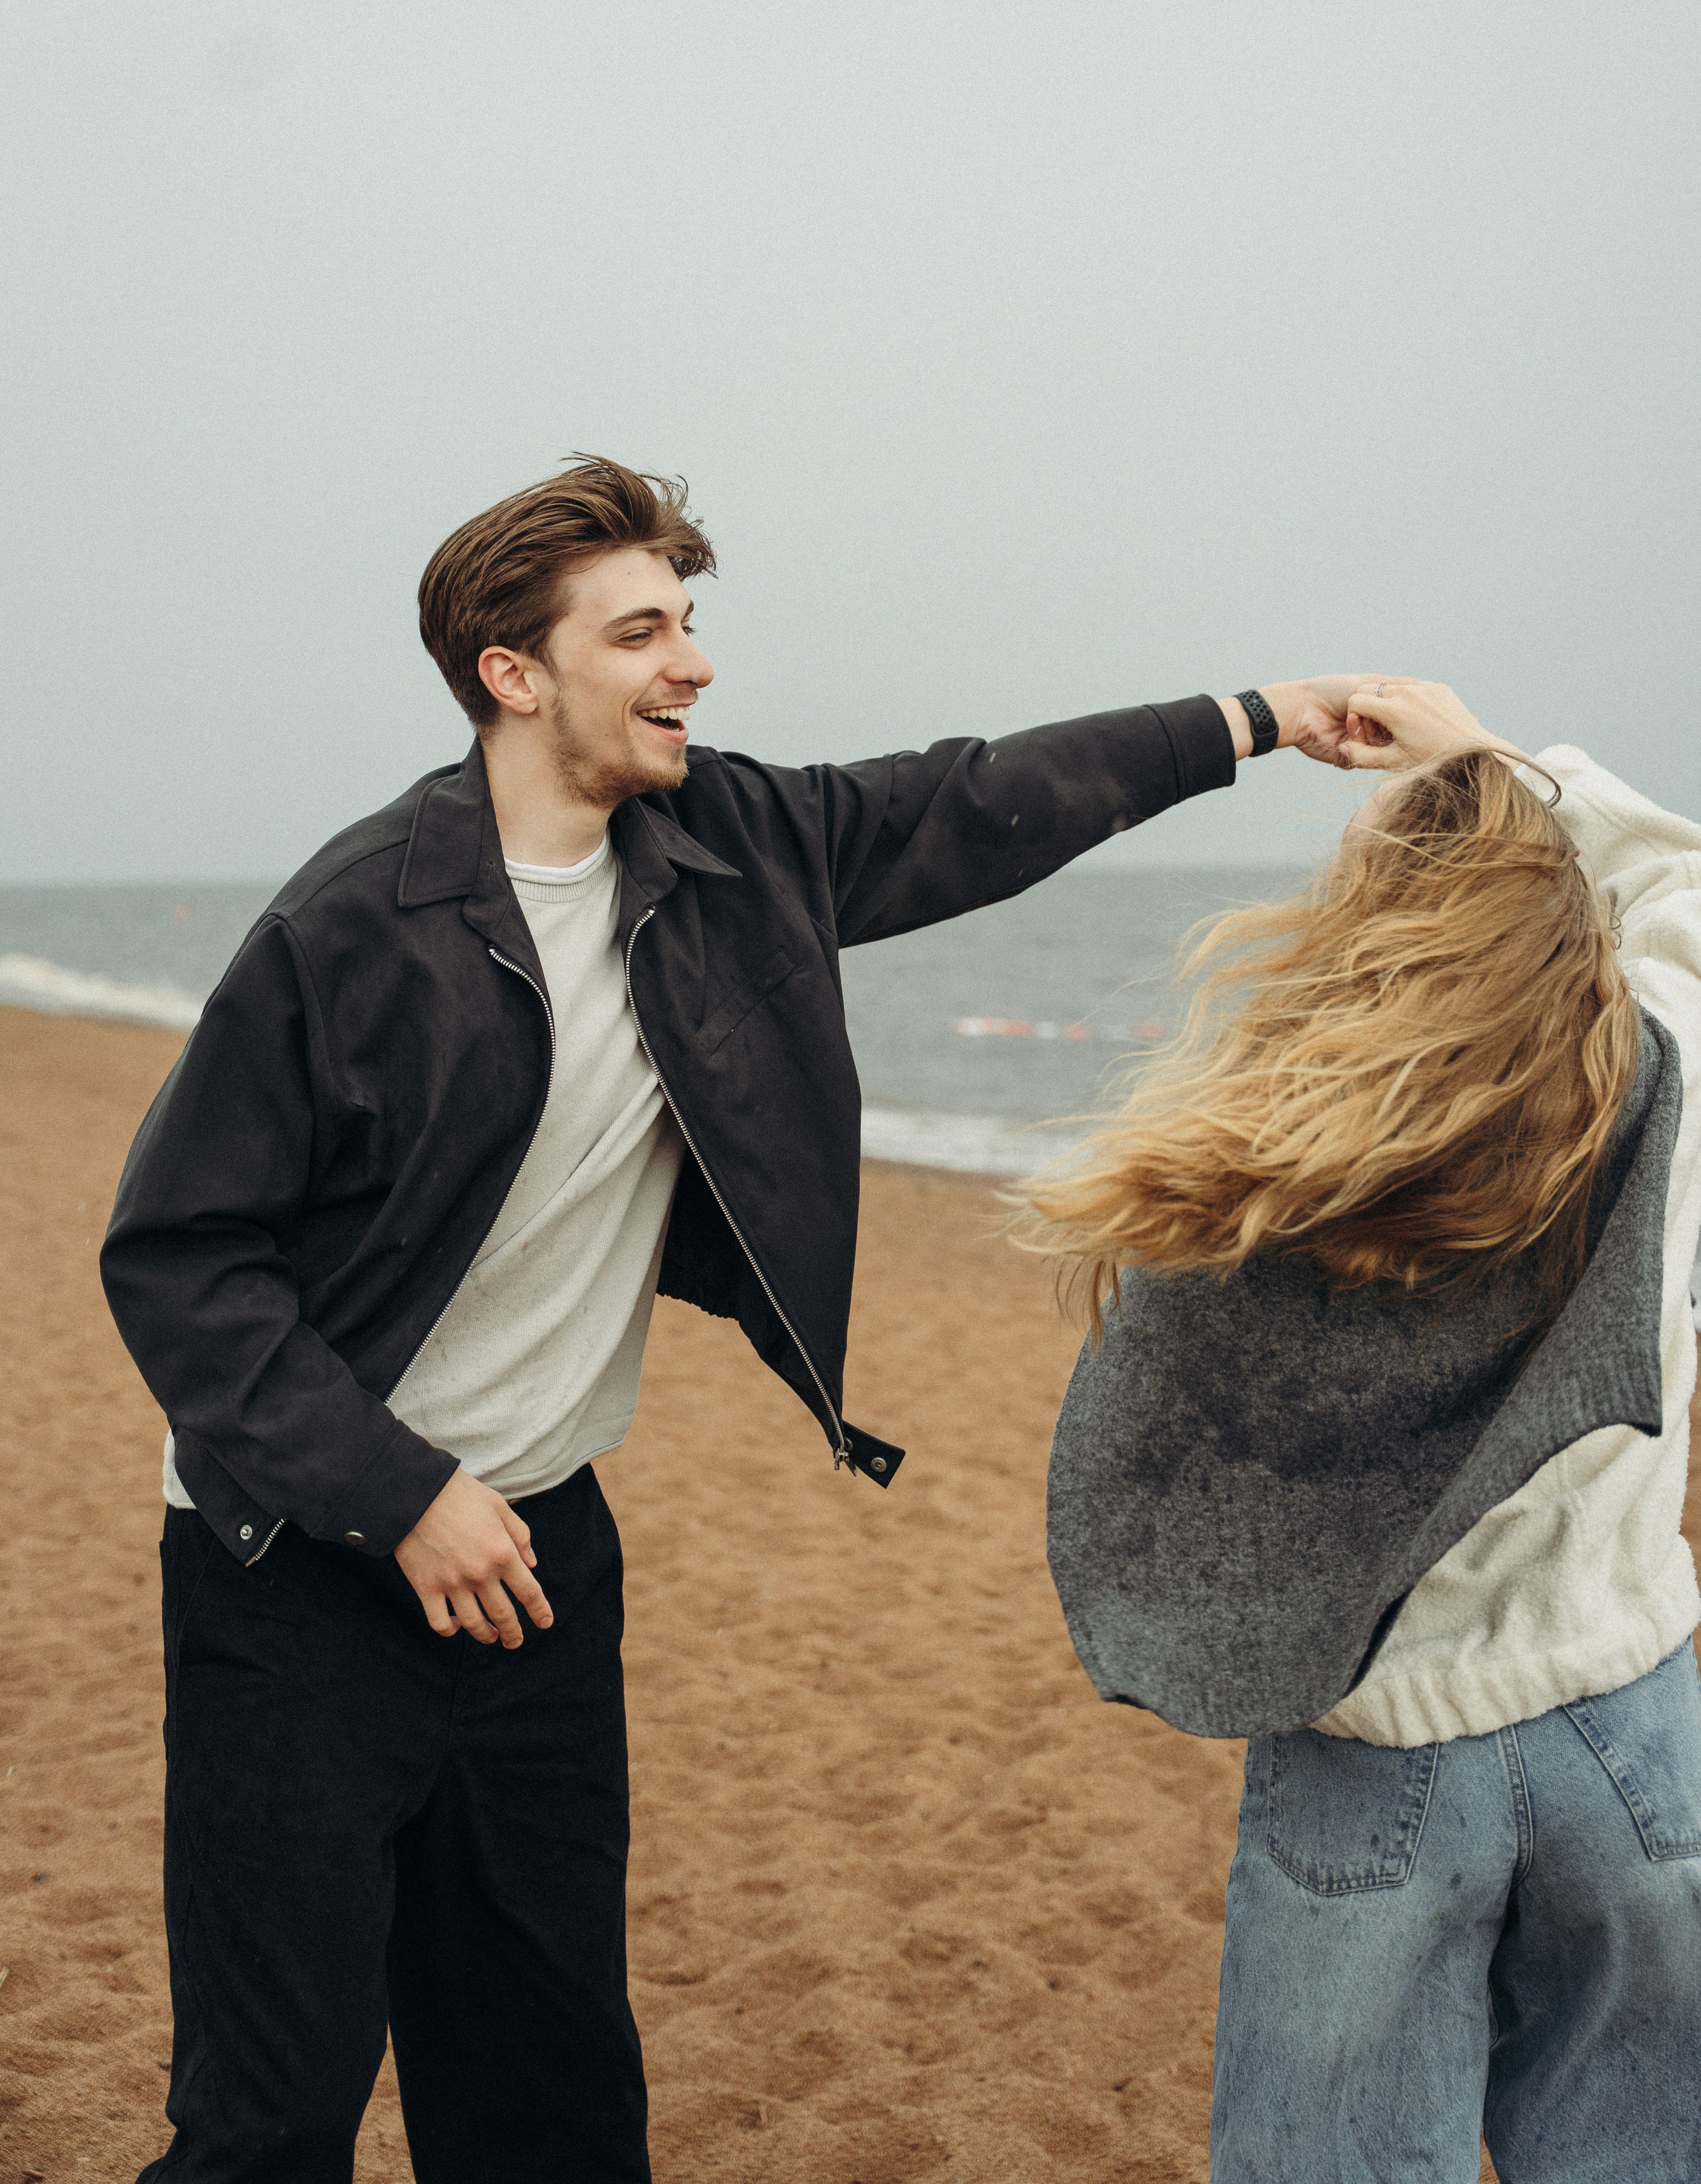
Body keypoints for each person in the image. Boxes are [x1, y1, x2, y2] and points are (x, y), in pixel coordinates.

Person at [101, 452, 1370, 2183]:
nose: (691, 663)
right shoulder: (355, 928)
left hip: (541, 1560)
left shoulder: (730, 848)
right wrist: (399, 1494)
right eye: (639, 633)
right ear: (514, 673)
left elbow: (982, 800)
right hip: (301, 1573)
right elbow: (180, 1258)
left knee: (549, 2089)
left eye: (687, 623)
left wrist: (1264, 717)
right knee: (272, 2114)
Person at [1026, 676, 1701, 2183]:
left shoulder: (1282, 1173)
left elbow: (1169, 1474)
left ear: (1367, 936)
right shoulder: (1666, 1085)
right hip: (1634, 1723)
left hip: (1377, 1748)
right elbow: (1682, 882)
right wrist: (1497, 764)